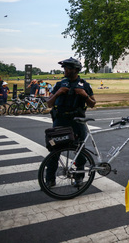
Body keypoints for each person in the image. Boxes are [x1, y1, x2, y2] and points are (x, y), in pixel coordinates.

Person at [45, 57, 96, 187]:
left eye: (67, 68)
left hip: (77, 122)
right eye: (65, 67)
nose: (65, 70)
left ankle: (79, 177)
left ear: (75, 70)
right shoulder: (60, 84)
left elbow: (92, 104)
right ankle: (50, 179)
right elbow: (49, 103)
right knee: (54, 150)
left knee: (79, 149)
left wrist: (84, 95)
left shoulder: (84, 85)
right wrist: (58, 94)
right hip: (60, 120)